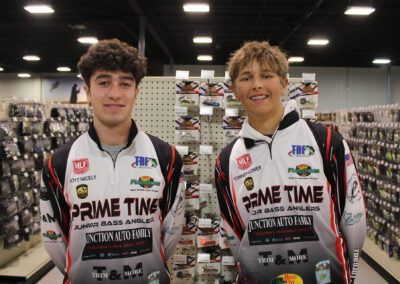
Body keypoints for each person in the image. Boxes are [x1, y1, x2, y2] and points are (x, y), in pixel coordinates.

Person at [215, 41, 366, 284]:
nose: (257, 85)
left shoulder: (326, 141)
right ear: (234, 90)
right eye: (246, 78)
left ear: (285, 83)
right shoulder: (227, 160)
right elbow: (235, 236)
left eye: (266, 75)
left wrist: (350, 275)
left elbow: (355, 223)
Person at [40, 39, 184, 284]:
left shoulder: (166, 157)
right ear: (87, 91)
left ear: (136, 92)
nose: (115, 93)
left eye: (125, 84)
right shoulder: (59, 163)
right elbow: (55, 241)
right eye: (104, 82)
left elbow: (171, 232)